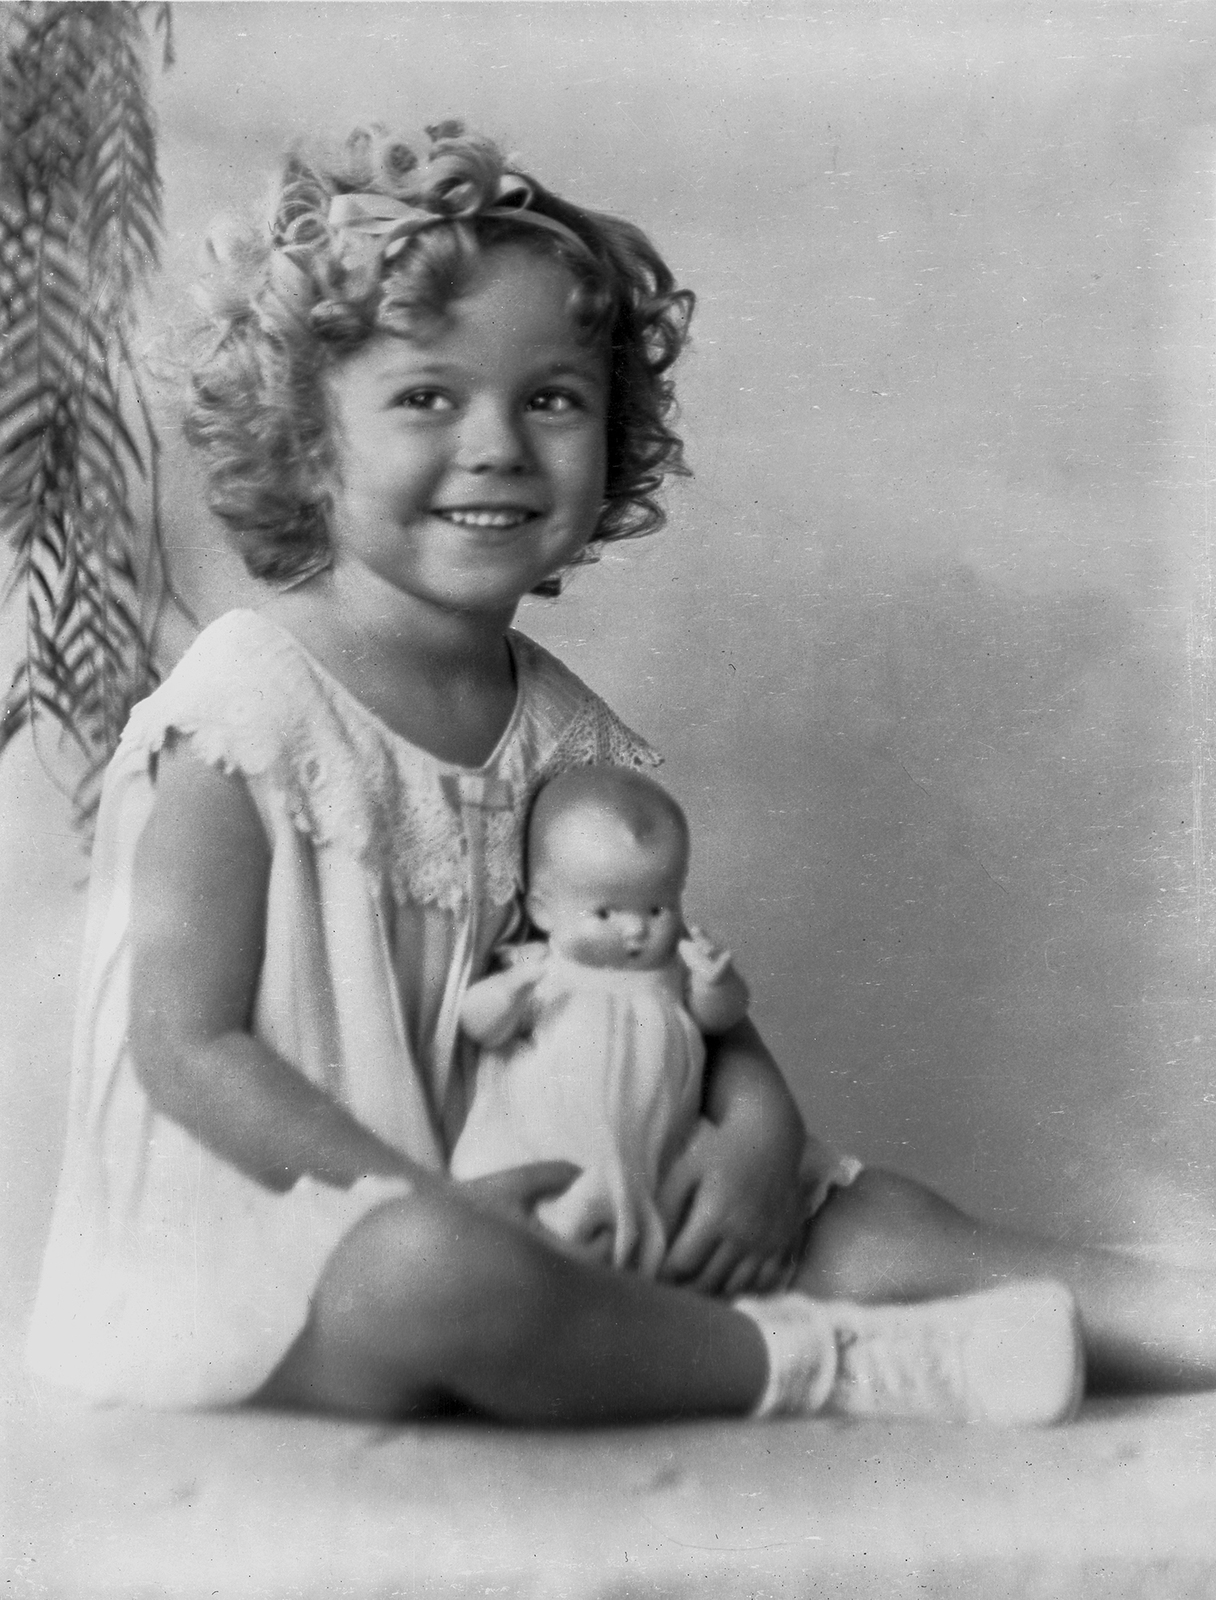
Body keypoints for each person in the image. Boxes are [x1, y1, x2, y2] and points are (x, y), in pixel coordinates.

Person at [25, 123, 1214, 1428]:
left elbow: (676, 973)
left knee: (870, 1218)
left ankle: (1168, 1309)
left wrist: (756, 1143)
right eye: (427, 396)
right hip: (302, 1256)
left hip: (573, 1197)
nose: (497, 445)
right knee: (441, 1278)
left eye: (552, 398)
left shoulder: (568, 734)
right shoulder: (243, 705)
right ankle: (825, 1370)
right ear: (308, 440)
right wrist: (420, 1199)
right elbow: (184, 1048)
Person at [451, 766, 753, 1277]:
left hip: (654, 1143)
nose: (636, 928)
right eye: (607, 913)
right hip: (553, 1148)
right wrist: (507, 994)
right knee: (558, 1223)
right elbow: (480, 1025)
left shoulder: (673, 972)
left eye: (658, 908)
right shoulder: (541, 968)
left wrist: (715, 984)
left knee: (666, 1219)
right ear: (545, 911)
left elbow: (717, 1019)